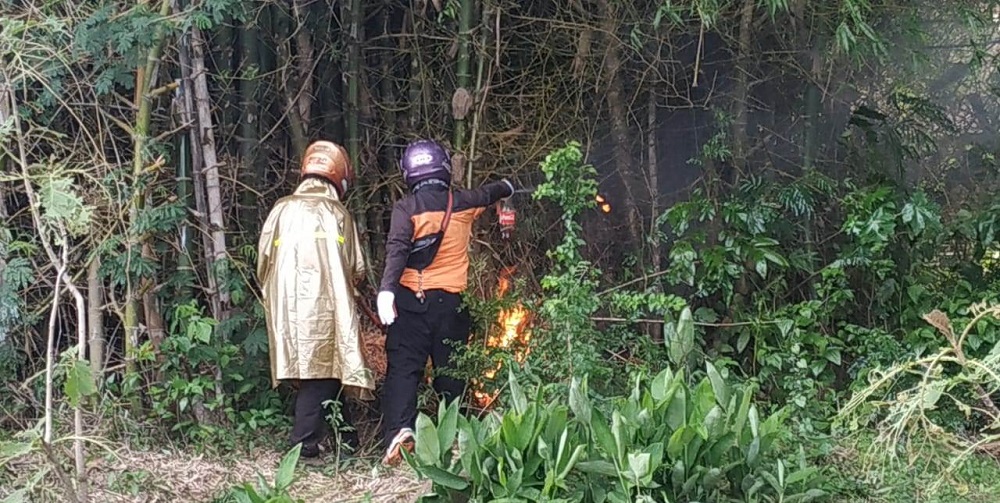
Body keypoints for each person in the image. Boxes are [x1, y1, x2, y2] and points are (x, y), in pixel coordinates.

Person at [376, 139, 515, 465]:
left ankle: (400, 432)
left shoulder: (406, 208)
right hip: (451, 304)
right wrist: (508, 188)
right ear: (444, 168)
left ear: (408, 173)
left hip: (409, 302)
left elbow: (397, 248)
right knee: (451, 373)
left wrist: (386, 290)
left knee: (404, 370)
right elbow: (492, 191)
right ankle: (457, 438)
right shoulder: (462, 202)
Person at [257, 140, 374, 462]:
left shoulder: (281, 209)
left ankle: (347, 440)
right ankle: (304, 445)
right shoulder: (337, 213)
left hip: (287, 307)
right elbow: (356, 267)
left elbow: (263, 261)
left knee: (326, 369)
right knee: (320, 371)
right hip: (328, 306)